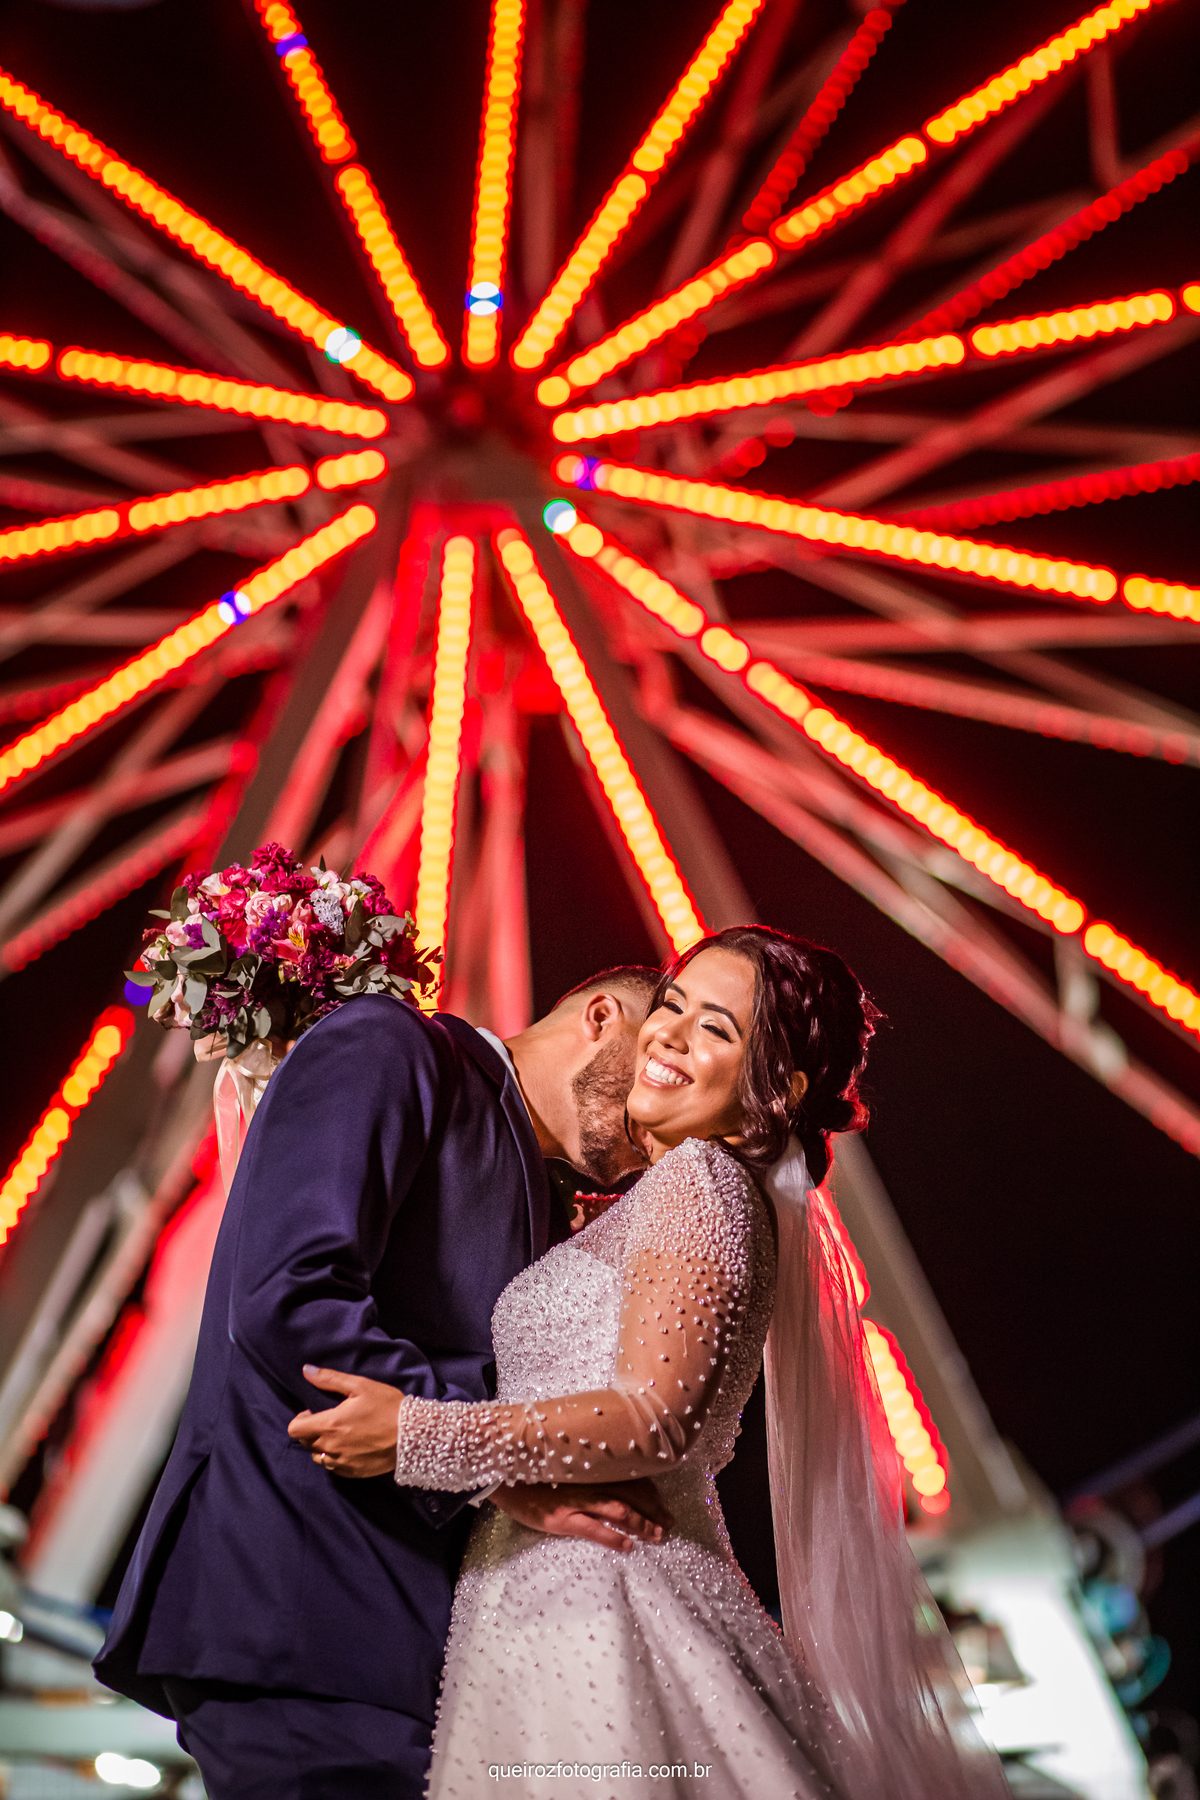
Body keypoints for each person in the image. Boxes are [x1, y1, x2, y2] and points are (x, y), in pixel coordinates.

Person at [293, 928, 1010, 1798]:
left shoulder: (700, 1182)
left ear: (773, 1093)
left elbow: (656, 1418)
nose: (669, 1033)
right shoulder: (679, 1198)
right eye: (671, 1005)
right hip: (558, 1585)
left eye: (717, 1029)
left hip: (605, 1596)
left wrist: (418, 1436)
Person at [94, 965, 670, 1800]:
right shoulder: (391, 1044)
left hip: (423, 1646)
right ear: (602, 1015)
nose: (658, 1125)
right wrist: (488, 1454)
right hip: (299, 1601)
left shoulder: (549, 1199)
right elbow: (290, 1296)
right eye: (655, 1064)